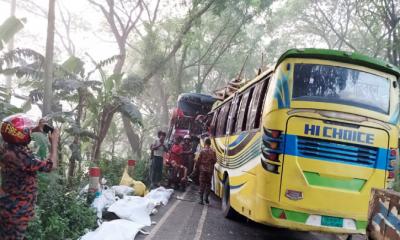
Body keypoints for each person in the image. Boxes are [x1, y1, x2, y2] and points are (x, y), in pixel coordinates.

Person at [0, 114, 59, 240]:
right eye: (27, 130)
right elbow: (51, 166)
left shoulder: (5, 147)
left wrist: (35, 128)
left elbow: (15, 133)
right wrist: (54, 143)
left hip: (6, 206)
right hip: (17, 214)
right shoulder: (24, 158)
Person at [195, 138, 216, 205]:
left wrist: (196, 167)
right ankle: (206, 198)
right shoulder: (213, 151)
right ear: (210, 144)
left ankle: (201, 200)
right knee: (208, 184)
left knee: (202, 184)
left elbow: (198, 160)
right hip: (209, 170)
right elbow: (215, 161)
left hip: (203, 170)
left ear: (205, 143)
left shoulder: (202, 151)